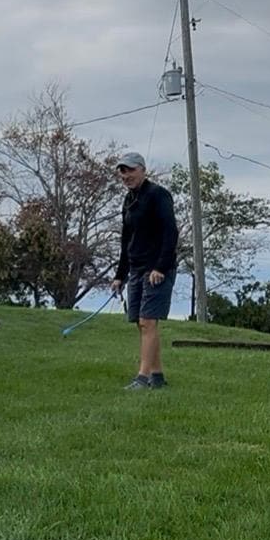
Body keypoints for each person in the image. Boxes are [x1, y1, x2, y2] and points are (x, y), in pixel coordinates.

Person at [110, 151, 179, 390]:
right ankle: (157, 377)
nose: (125, 175)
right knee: (142, 324)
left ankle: (142, 377)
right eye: (122, 171)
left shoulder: (158, 195)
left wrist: (161, 266)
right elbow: (126, 239)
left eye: (130, 170)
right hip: (137, 268)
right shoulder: (129, 200)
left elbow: (171, 232)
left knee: (148, 321)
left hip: (156, 269)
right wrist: (120, 274)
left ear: (142, 170)